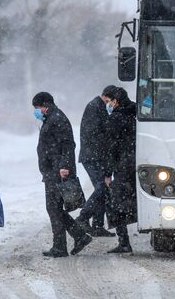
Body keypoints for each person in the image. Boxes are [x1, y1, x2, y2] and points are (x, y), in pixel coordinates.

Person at [32, 92, 92, 257]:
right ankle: (78, 237)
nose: (36, 111)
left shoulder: (57, 119)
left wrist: (64, 166)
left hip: (58, 171)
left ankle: (61, 245)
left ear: (45, 105)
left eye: (37, 108)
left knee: (53, 207)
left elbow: (67, 144)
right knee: (55, 208)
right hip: (52, 170)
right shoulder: (50, 118)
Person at [75, 85, 117, 237]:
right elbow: (96, 135)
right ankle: (83, 217)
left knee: (102, 190)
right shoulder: (95, 107)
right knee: (102, 188)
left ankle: (98, 225)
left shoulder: (98, 106)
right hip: (93, 157)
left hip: (95, 155)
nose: (113, 104)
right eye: (113, 101)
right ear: (107, 97)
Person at [105, 87, 137, 253]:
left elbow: (111, 148)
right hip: (140, 163)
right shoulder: (137, 113)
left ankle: (124, 242)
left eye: (109, 101)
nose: (108, 104)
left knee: (117, 204)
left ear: (115, 102)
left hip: (122, 166)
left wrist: (107, 173)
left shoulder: (115, 119)